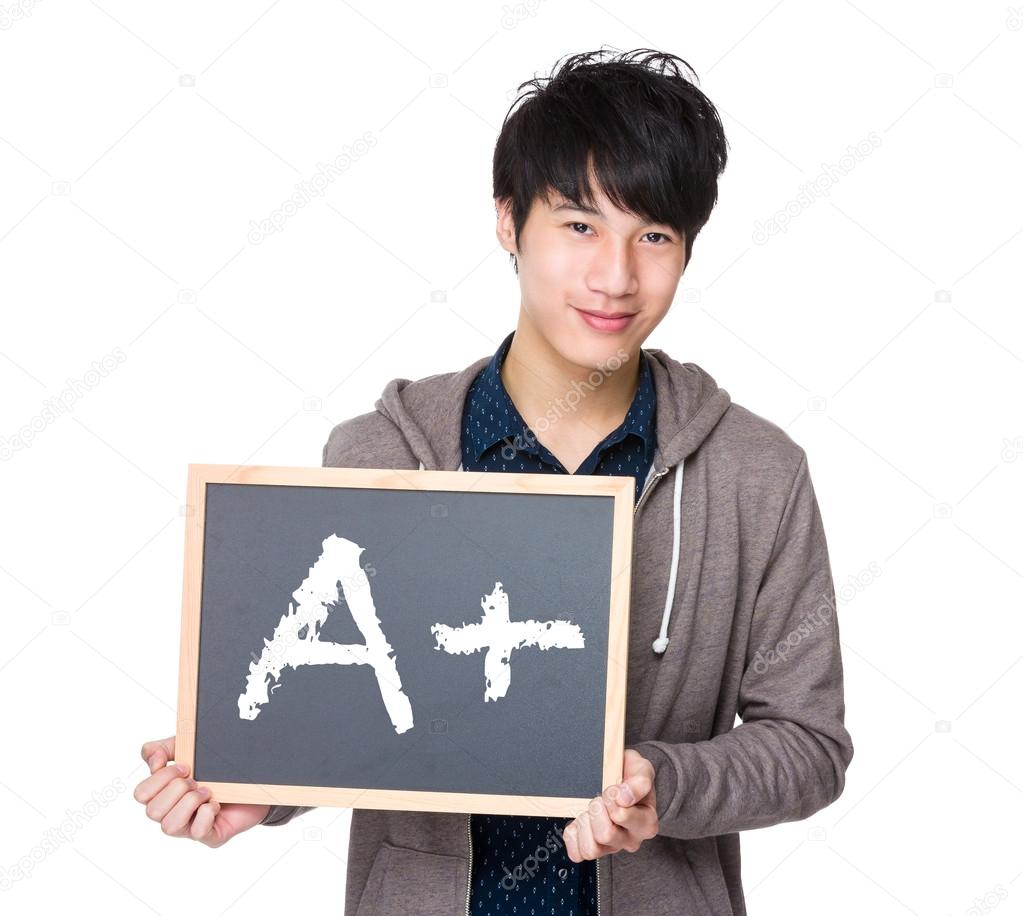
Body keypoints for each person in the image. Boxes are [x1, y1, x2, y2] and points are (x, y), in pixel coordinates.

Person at [135, 48, 853, 915]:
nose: (615, 277)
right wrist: (258, 784)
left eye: (653, 235)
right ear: (510, 223)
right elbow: (353, 707)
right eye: (579, 226)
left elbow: (809, 745)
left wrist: (665, 783)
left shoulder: (754, 474)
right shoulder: (380, 455)